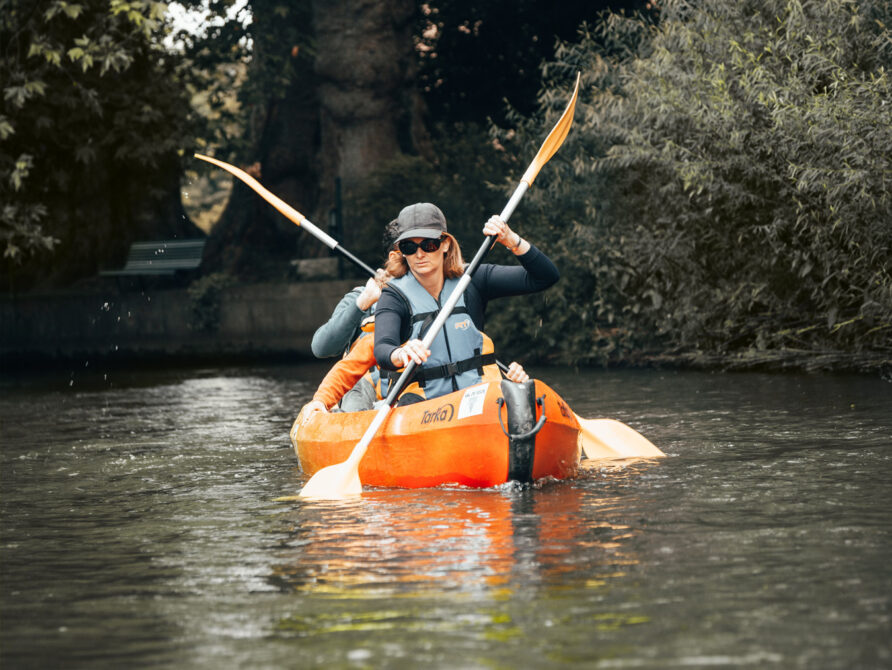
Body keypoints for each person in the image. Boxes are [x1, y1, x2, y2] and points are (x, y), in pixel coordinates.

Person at [373, 202, 559, 404]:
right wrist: (400, 353)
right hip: (424, 406)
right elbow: (383, 348)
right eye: (409, 247)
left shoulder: (474, 279)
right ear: (401, 251)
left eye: (429, 244)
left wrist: (511, 240)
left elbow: (545, 277)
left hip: (477, 399)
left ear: (445, 244)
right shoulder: (393, 295)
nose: (420, 254)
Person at [307, 221, 398, 412]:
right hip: (362, 394)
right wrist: (363, 303)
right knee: (356, 386)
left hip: (407, 390)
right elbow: (321, 347)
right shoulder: (360, 297)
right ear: (392, 258)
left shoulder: (428, 294)